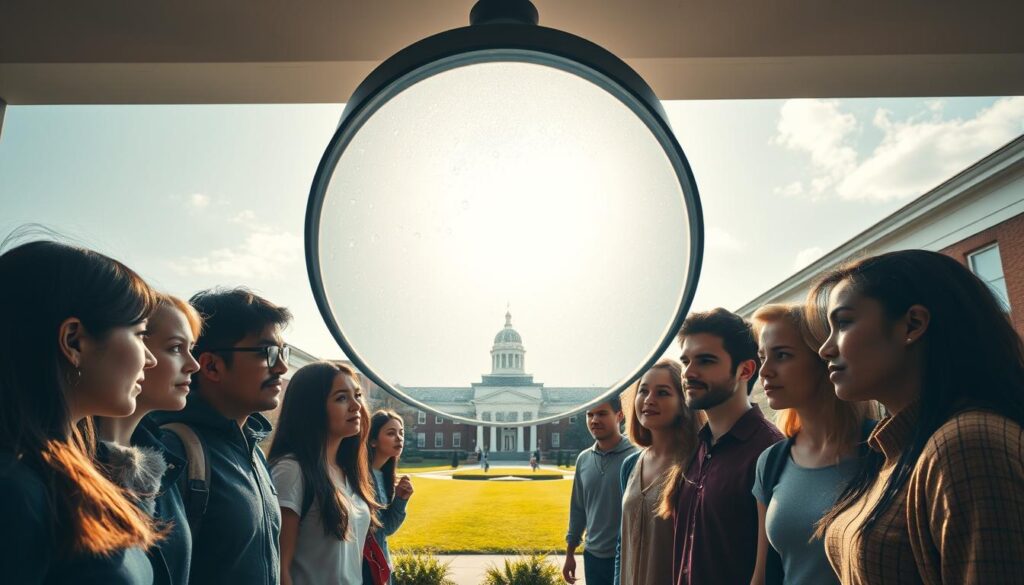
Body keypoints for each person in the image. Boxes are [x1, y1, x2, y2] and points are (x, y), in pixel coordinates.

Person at [810, 250, 1024, 583]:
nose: (825, 348)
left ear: (912, 324)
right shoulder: (897, 450)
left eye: (844, 322)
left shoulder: (968, 445)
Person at [0, 239, 161, 584]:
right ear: (74, 341)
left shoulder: (59, 474)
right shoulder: (14, 492)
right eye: (139, 334)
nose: (150, 358)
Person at [153, 287, 291, 585]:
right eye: (267, 352)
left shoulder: (252, 449)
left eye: (283, 352)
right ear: (211, 365)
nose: (281, 366)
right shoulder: (173, 450)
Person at [749, 304, 876, 585]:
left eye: (782, 355)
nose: (765, 371)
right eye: (762, 357)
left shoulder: (884, 448)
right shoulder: (771, 462)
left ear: (824, 358)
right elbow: (763, 575)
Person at [671, 308, 785, 585]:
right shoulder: (696, 447)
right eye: (685, 361)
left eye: (705, 361)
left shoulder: (771, 452)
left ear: (745, 370)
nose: (688, 372)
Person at [95, 294, 203, 585]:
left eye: (191, 349)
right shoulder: (67, 466)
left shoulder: (164, 464)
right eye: (176, 348)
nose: (194, 364)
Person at [269, 362, 381, 585]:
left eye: (357, 395)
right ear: (312, 408)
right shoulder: (292, 470)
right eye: (341, 398)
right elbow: (280, 569)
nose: (356, 406)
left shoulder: (349, 472)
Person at [616, 360, 703, 585]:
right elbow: (621, 542)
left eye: (662, 392)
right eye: (643, 391)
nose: (649, 400)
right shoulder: (630, 465)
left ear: (683, 403)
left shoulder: (696, 465)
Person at [563, 397, 637, 585]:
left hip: (628, 557)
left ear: (619, 415)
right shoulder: (583, 459)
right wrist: (570, 554)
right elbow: (578, 509)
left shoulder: (637, 457)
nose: (594, 420)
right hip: (592, 557)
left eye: (602, 414)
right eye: (590, 415)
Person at [367, 410, 414, 584]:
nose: (399, 438)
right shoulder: (360, 478)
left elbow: (386, 529)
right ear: (372, 440)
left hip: (382, 566)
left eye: (401, 433)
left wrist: (401, 500)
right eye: (391, 433)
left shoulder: (384, 476)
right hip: (366, 568)